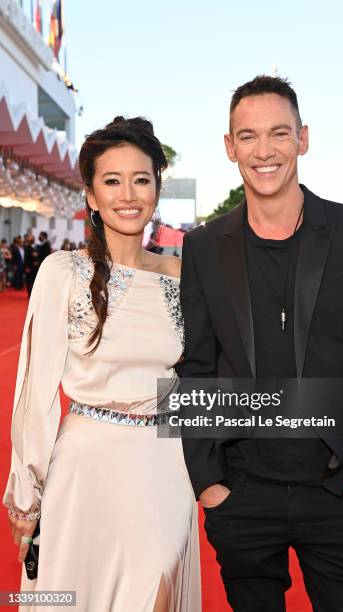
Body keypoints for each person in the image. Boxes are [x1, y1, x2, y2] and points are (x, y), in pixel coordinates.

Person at [178, 76, 343, 612]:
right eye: (248, 136)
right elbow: (196, 366)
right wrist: (209, 482)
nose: (264, 151)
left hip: (339, 491)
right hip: (242, 493)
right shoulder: (204, 247)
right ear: (229, 146)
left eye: (279, 133)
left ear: (303, 138)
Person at [3, 116, 201, 612]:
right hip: (85, 464)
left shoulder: (187, 275)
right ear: (91, 196)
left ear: (157, 185)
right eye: (112, 180)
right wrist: (26, 496)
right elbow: (36, 390)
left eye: (141, 179)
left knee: (155, 582)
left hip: (164, 463)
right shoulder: (61, 272)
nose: (128, 194)